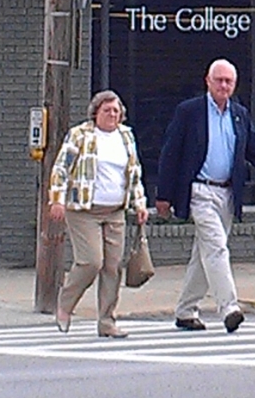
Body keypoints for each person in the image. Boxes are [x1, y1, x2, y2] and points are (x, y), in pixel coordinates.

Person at [156, 58, 255, 334]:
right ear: (208, 81)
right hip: (199, 190)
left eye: (229, 81)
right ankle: (229, 308)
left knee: (204, 255)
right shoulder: (189, 112)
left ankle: (185, 311)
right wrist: (164, 195)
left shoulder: (239, 115)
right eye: (219, 80)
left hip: (227, 192)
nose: (224, 86)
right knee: (216, 247)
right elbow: (170, 153)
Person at [46, 90, 148, 338]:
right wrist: (56, 200)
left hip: (115, 212)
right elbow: (61, 168)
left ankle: (107, 322)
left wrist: (140, 204)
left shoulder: (126, 136)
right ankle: (65, 305)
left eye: (116, 111)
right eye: (107, 110)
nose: (112, 115)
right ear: (95, 113)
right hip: (84, 210)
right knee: (91, 262)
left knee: (113, 267)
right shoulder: (81, 135)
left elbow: (134, 173)